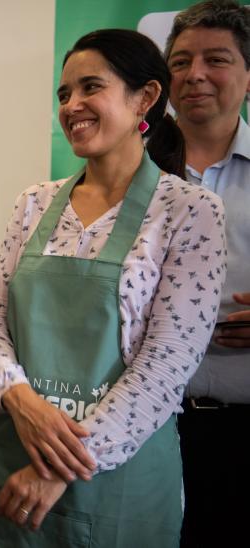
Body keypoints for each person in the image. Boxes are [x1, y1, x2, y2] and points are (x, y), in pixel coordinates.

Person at [0, 29, 226, 546]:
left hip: (116, 475)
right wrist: (22, 403)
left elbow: (166, 366)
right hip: (16, 453)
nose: (72, 106)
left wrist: (60, 466)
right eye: (64, 94)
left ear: (146, 98)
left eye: (91, 88)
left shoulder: (190, 211)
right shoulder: (33, 204)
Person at [164, 2, 250, 546]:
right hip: (145, 428)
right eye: (180, 61)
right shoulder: (126, 174)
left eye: (215, 59)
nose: (194, 74)